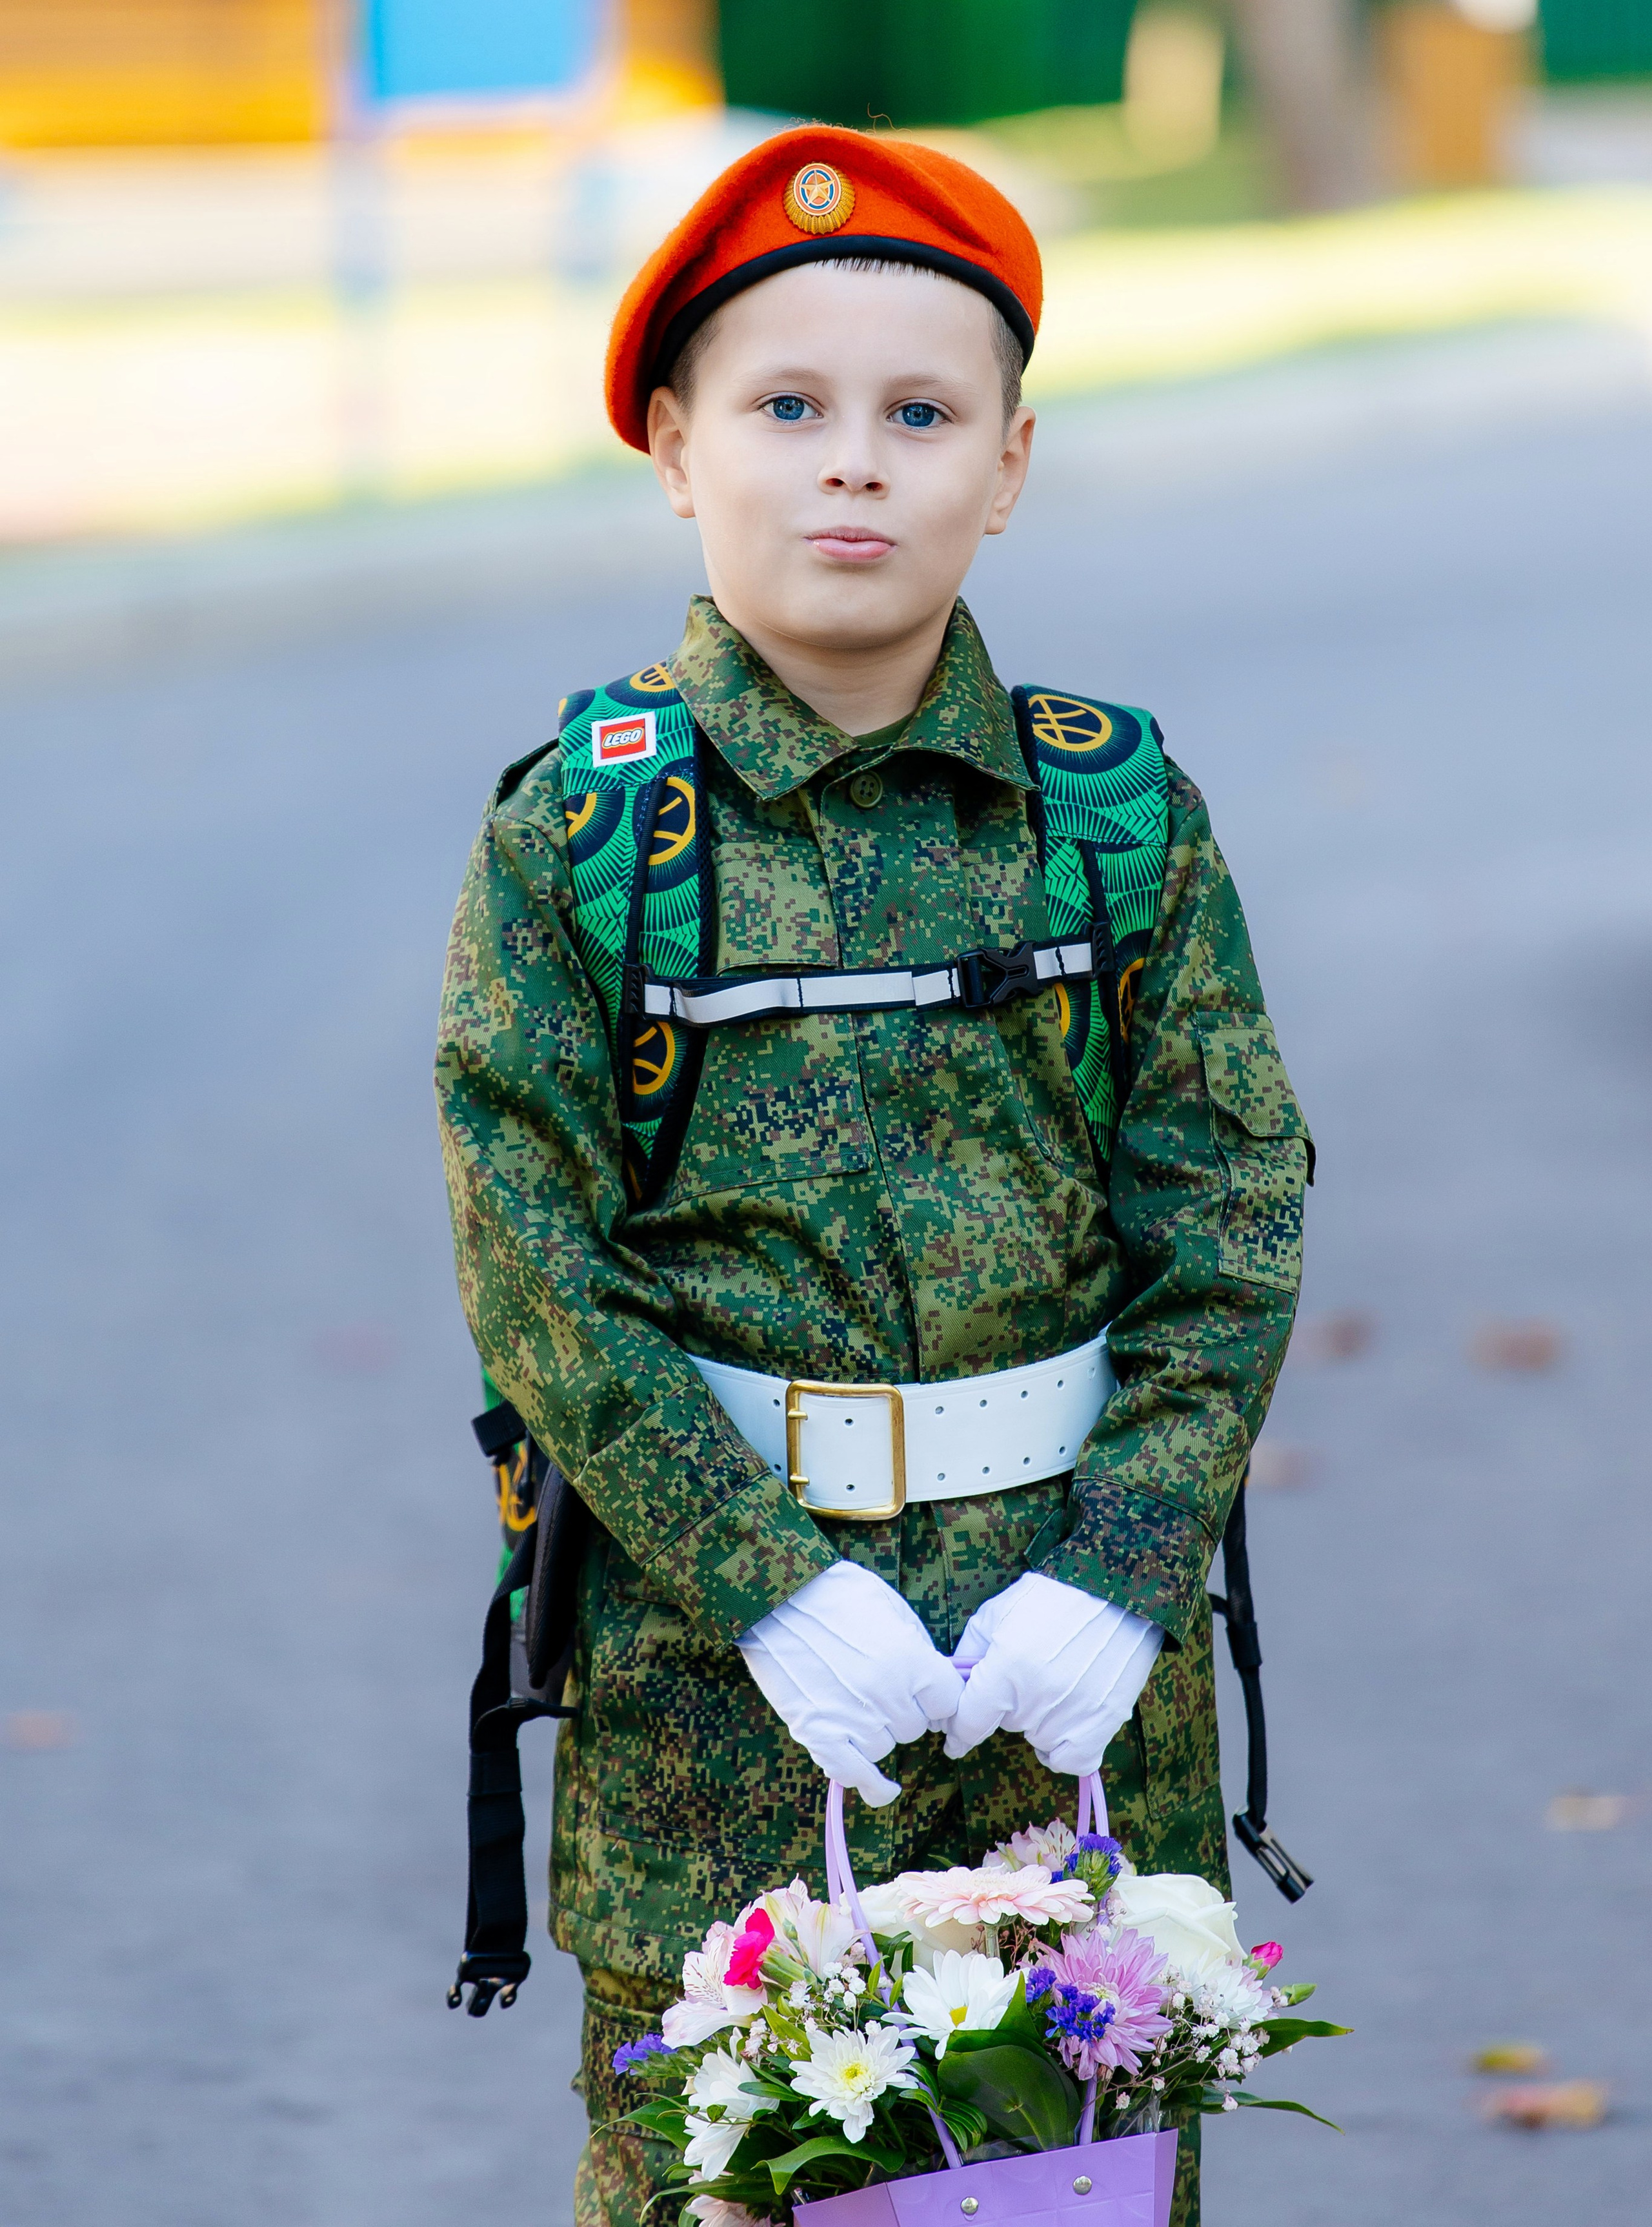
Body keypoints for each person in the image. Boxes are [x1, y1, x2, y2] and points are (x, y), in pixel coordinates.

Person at [435, 126, 1309, 2227]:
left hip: (1061, 1674)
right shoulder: (583, 837)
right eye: (786, 407)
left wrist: (1125, 1565)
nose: (855, 462)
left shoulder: (1117, 818)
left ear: (1009, 464)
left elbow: (1235, 1209)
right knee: (714, 2187)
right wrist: (768, 1582)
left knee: (1066, 2185)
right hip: (722, 1688)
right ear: (675, 446)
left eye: (922, 414)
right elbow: (535, 1254)